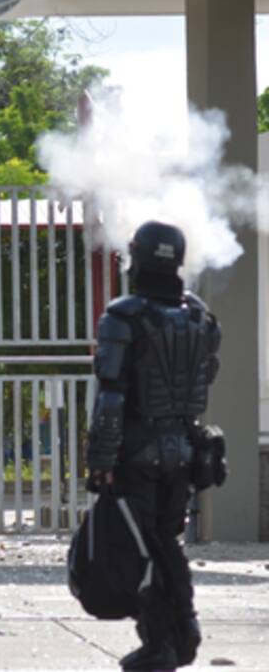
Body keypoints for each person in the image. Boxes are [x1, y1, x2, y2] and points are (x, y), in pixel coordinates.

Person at [86, 221, 222, 670]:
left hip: (138, 452)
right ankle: (184, 631)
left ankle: (160, 643)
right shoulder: (200, 316)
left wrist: (101, 460)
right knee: (167, 542)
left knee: (139, 548)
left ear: (140, 257)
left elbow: (111, 395)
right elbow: (206, 374)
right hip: (185, 450)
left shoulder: (124, 316)